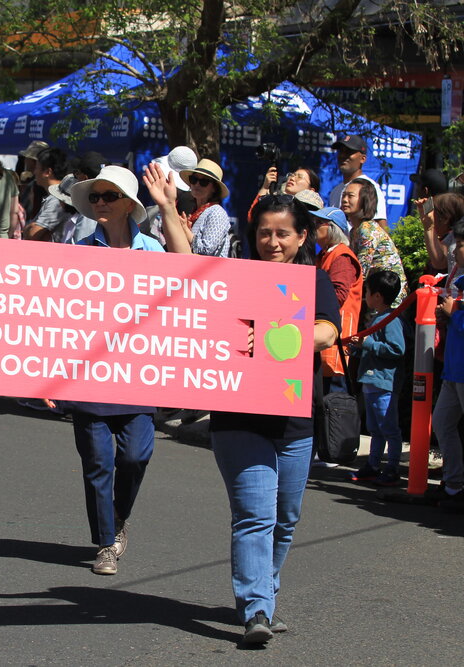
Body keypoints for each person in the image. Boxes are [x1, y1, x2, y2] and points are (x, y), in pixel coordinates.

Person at [144, 163, 340, 644]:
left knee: (286, 519)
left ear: (301, 237)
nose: (272, 242)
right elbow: (188, 266)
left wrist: (274, 333)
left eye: (282, 234)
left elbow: (327, 332)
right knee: (256, 515)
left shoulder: (313, 281)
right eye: (265, 233)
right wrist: (167, 208)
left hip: (294, 421)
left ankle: (264, 594)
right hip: (239, 418)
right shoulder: (235, 276)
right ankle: (256, 610)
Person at [46, 165, 163, 576]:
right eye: (94, 197)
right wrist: (50, 374)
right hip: (89, 376)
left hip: (139, 375)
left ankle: (117, 517)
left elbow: (177, 312)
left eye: (108, 196)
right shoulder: (78, 251)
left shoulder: (154, 251)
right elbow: (60, 316)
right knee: (97, 463)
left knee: (135, 455)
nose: (99, 203)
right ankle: (106, 543)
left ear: (129, 204)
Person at [347, 270, 406, 487]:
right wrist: (357, 348)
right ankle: (373, 465)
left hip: (384, 383)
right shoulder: (379, 318)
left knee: (388, 428)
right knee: (375, 429)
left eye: (368, 292)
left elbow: (397, 349)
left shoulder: (391, 320)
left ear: (377, 296)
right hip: (373, 382)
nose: (365, 296)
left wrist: (368, 344)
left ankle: (392, 467)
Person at [311, 206, 362, 392]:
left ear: (332, 228)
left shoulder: (342, 256)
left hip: (336, 338)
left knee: (333, 400)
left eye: (319, 223)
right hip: (325, 333)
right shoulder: (326, 254)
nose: (314, 226)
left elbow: (338, 295)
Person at [433, 218, 464, 513]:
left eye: (462, 244)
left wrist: (455, 312)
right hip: (453, 369)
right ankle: (454, 485)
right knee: (442, 423)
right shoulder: (459, 280)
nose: (456, 249)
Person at [341, 177, 408, 308]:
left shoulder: (367, 229)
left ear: (364, 200)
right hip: (375, 293)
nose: (344, 200)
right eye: (344, 195)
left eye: (350, 196)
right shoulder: (355, 230)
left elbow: (360, 270)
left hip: (389, 298)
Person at [327, 135, 388, 228]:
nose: (343, 155)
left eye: (349, 152)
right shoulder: (335, 191)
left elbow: (381, 229)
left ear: (362, 159)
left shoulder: (370, 187)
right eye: (341, 151)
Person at [176, 159, 233, 257]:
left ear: (214, 188)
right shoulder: (196, 212)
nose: (197, 185)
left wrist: (185, 229)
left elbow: (206, 249)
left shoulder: (217, 212)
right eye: (194, 180)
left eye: (204, 182)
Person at [22, 147, 69, 242]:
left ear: (47, 172)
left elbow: (32, 234)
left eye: (36, 168)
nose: (34, 172)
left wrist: (30, 227)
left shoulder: (56, 200)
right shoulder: (54, 197)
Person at [17, 140, 49, 222]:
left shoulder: (37, 184)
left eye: (27, 158)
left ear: (34, 161)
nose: (25, 161)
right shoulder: (43, 181)